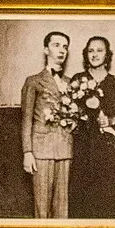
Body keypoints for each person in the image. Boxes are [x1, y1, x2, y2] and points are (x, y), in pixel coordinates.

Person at [68, 35, 115, 218]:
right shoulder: (77, 79)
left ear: (107, 55)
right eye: (90, 51)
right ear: (86, 54)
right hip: (83, 144)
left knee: (106, 193)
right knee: (81, 191)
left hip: (106, 145)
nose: (94, 54)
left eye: (99, 50)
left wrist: (111, 121)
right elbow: (68, 107)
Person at [20, 30, 74, 218]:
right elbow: (26, 119)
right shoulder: (33, 81)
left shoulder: (71, 83)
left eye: (65, 47)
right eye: (56, 45)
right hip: (41, 150)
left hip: (65, 148)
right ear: (46, 50)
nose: (62, 50)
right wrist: (27, 152)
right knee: (42, 208)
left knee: (62, 208)